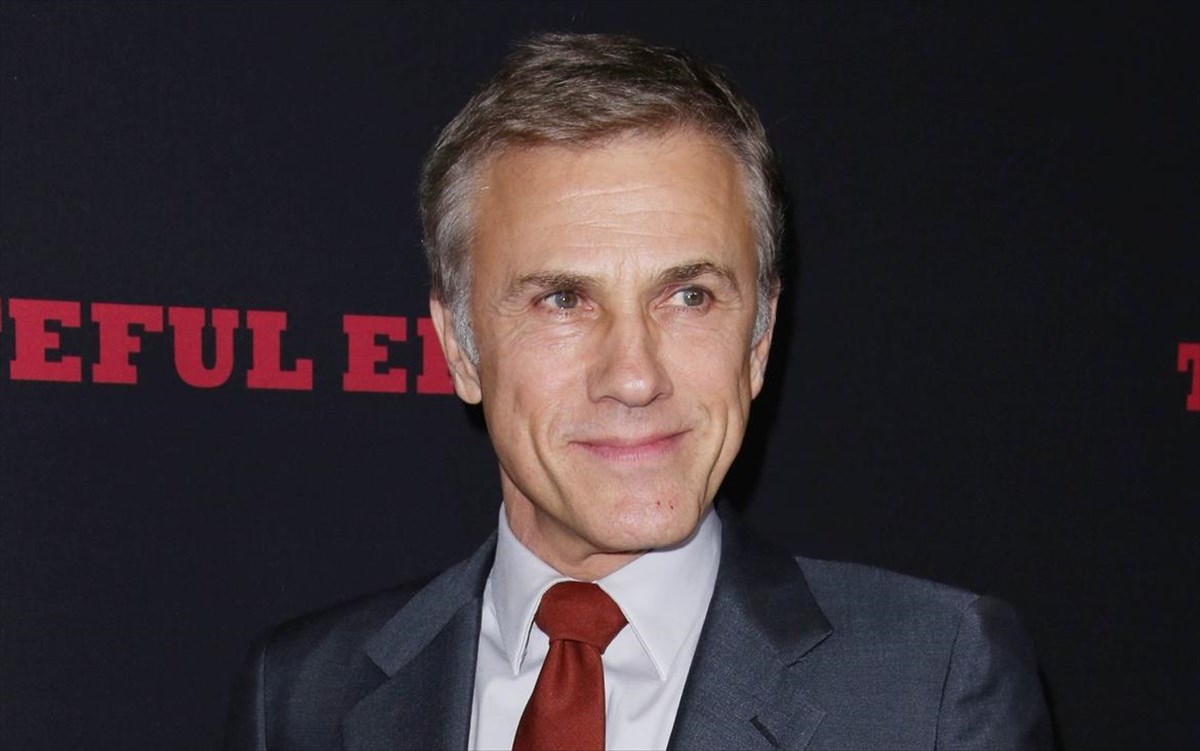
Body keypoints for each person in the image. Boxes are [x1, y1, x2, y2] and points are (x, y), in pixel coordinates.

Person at [224, 33, 1053, 750]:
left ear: (759, 337)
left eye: (689, 296)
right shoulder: (302, 696)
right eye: (563, 299)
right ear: (460, 349)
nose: (634, 375)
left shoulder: (931, 686)